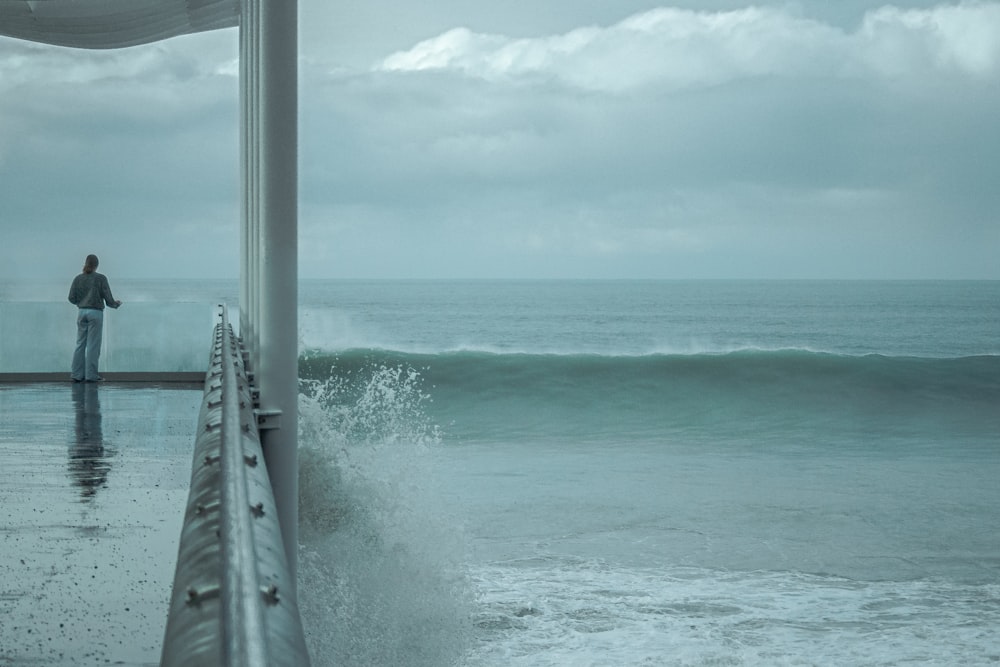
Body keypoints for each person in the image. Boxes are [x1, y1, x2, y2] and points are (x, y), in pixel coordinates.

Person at [68, 254, 122, 382]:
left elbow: (71, 298)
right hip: (95, 313)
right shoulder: (100, 278)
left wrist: (80, 303)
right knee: (93, 345)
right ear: (96, 265)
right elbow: (108, 298)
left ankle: (76, 375)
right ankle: (91, 376)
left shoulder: (78, 279)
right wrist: (116, 304)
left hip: (81, 312)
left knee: (80, 344)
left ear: (86, 263)